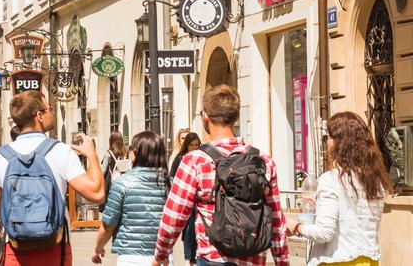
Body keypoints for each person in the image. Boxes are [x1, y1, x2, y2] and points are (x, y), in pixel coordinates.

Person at [152, 85, 289, 266]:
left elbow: (174, 216)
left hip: (213, 258)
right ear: (237, 116)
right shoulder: (263, 161)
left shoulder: (195, 161)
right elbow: (276, 220)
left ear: (205, 116)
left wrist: (161, 254)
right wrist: (282, 261)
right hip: (253, 259)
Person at [0, 91, 106, 265]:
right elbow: (97, 194)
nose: (51, 112)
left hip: (15, 250)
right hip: (55, 249)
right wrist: (92, 155)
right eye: (49, 108)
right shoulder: (61, 151)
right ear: (39, 115)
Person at [286, 111, 389, 266]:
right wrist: (320, 204)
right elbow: (356, 219)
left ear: (340, 142)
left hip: (337, 260)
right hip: (369, 260)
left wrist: (296, 226)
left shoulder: (331, 180)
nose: (326, 142)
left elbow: (324, 233)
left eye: (329, 136)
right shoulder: (375, 182)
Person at [92, 131, 169, 266]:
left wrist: (98, 248)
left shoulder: (122, 183)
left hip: (131, 257)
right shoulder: (169, 183)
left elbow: (108, 225)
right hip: (163, 256)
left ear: (135, 153)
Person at [169, 132, 202, 265]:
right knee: (188, 229)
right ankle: (189, 257)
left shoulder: (202, 158)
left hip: (199, 199)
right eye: (191, 145)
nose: (194, 147)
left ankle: (196, 255)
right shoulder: (180, 159)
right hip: (186, 198)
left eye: (196, 145)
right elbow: (173, 178)